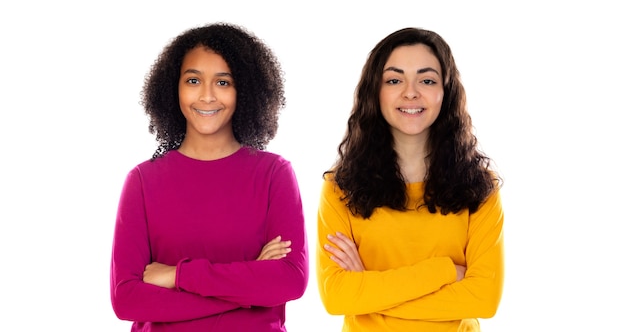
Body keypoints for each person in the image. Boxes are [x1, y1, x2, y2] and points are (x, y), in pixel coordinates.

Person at [110, 22, 308, 331]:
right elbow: (127, 299)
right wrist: (248, 288)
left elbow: (290, 281)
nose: (206, 96)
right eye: (193, 80)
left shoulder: (274, 174)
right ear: (173, 88)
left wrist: (178, 276)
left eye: (223, 82)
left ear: (244, 90)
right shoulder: (142, 181)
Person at [316, 27, 504, 331]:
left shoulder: (480, 187)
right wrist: (445, 271)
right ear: (375, 92)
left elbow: (483, 299)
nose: (410, 92)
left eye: (427, 80)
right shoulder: (341, 187)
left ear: (446, 91)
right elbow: (337, 297)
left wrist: (370, 294)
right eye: (394, 80)